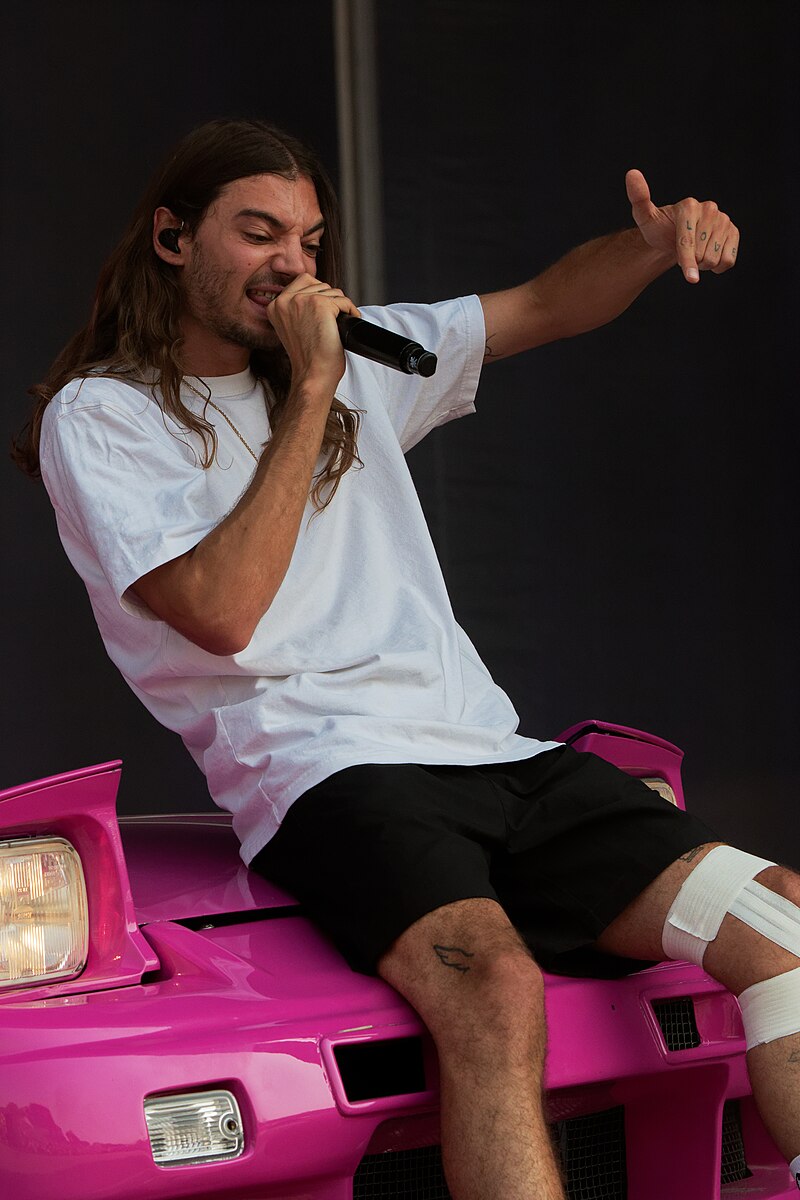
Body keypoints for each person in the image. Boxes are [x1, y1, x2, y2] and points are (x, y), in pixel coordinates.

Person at [14, 118, 800, 1200]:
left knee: (777, 921)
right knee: (493, 991)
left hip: (487, 750)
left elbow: (543, 304)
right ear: (171, 237)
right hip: (326, 769)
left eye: (308, 241)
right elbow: (220, 613)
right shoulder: (103, 415)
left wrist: (652, 246)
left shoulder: (360, 359)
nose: (292, 264)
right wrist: (310, 389)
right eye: (257, 233)